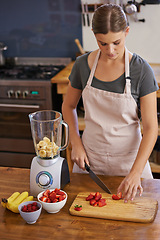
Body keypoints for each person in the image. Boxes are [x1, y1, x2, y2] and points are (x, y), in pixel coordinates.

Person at [62, 3, 159, 202]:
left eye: (116, 42)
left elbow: (150, 128)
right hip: (90, 161)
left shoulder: (142, 71)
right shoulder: (82, 65)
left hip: (130, 164)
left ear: (127, 32)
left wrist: (135, 173)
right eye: (102, 43)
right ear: (94, 35)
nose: (110, 50)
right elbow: (68, 106)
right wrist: (75, 142)